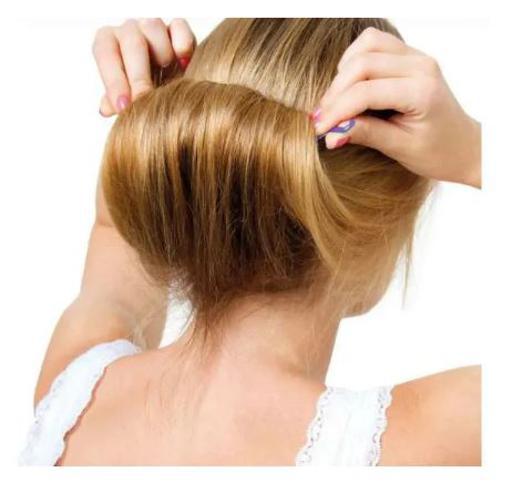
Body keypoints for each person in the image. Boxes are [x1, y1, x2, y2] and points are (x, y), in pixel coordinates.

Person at [19, 18, 481, 466]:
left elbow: (111, 239)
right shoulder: (428, 439)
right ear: (378, 222)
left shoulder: (73, 391)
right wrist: (475, 154)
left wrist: (155, 113)